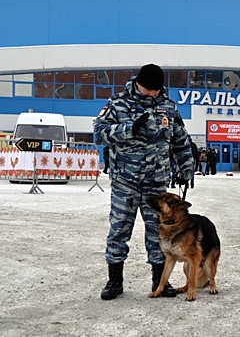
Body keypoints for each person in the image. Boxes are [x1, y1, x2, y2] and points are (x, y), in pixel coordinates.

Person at [93, 63, 194, 301]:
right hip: (125, 182)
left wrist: (187, 168)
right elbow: (99, 133)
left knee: (160, 234)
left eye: (156, 90)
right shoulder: (118, 104)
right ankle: (115, 281)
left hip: (156, 185)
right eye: (148, 89)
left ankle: (161, 282)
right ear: (138, 83)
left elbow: (180, 141)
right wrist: (128, 129)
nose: (152, 93)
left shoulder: (168, 107)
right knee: (119, 231)